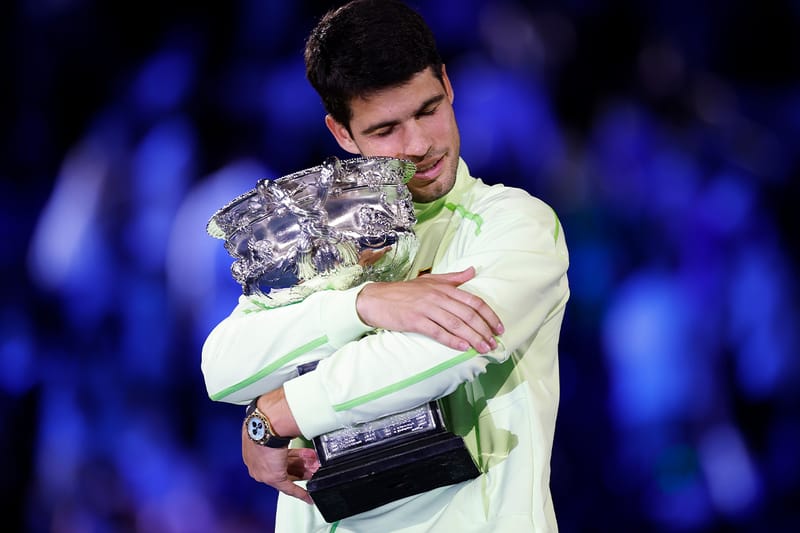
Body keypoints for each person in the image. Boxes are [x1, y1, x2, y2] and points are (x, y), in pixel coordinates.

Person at [201, 0, 570, 531]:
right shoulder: (312, 234)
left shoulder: (515, 224)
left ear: (448, 85)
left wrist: (279, 410)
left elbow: (451, 350)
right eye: (385, 130)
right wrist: (361, 305)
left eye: (428, 110)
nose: (419, 145)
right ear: (341, 133)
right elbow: (224, 367)